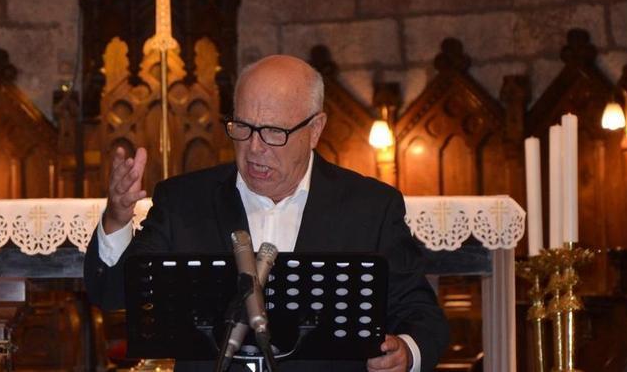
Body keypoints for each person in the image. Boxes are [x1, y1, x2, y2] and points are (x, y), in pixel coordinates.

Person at [85, 55, 449, 372]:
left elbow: (421, 314)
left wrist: (406, 353)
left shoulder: (371, 206)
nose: (255, 148)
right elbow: (113, 294)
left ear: (315, 129)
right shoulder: (183, 200)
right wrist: (117, 217)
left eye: (274, 132)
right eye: (242, 127)